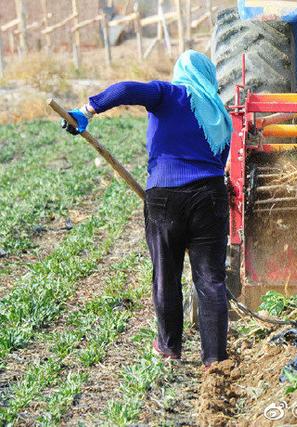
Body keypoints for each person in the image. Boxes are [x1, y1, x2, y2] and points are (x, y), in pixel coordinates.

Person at [62, 50, 232, 367]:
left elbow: (126, 89)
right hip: (210, 196)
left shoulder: (169, 94)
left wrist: (87, 110)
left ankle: (169, 348)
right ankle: (215, 359)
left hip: (166, 197)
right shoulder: (221, 115)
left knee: (166, 275)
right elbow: (220, 163)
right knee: (211, 280)